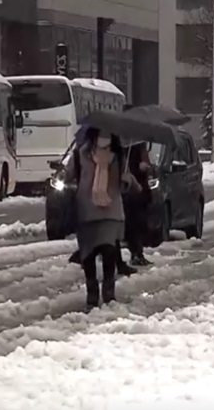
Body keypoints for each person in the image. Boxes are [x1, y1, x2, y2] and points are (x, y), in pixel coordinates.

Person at [66, 127, 138, 310]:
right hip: (86, 212)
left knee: (109, 253)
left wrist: (127, 180)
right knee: (88, 257)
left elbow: (125, 185)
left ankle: (107, 294)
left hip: (109, 212)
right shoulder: (80, 154)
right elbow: (69, 177)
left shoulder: (119, 155)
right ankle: (93, 295)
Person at [122, 142, 153, 267]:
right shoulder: (128, 147)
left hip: (141, 192)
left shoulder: (139, 144)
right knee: (134, 226)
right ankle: (135, 253)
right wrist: (138, 167)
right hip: (133, 193)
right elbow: (128, 170)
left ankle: (138, 253)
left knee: (139, 226)